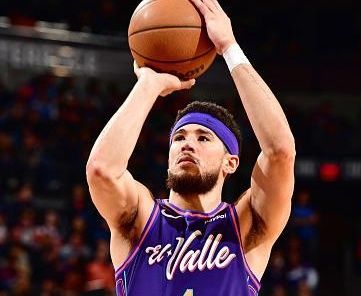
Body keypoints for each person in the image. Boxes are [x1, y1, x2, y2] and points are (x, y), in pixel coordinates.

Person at [86, 0, 295, 294]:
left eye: (203, 138)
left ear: (230, 163)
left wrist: (230, 48)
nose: (187, 144)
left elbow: (281, 152)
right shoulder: (141, 218)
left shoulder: (246, 227)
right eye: (179, 137)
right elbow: (101, 170)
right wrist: (148, 85)